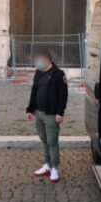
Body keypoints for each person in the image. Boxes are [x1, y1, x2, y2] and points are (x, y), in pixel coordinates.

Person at [26, 48, 68, 183]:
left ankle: (55, 167)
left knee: (52, 141)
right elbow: (34, 91)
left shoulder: (58, 74)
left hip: (51, 114)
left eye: (38, 60)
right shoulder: (38, 73)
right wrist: (30, 109)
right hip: (38, 112)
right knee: (44, 140)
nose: (37, 63)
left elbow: (63, 95)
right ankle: (47, 165)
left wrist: (60, 113)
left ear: (46, 60)